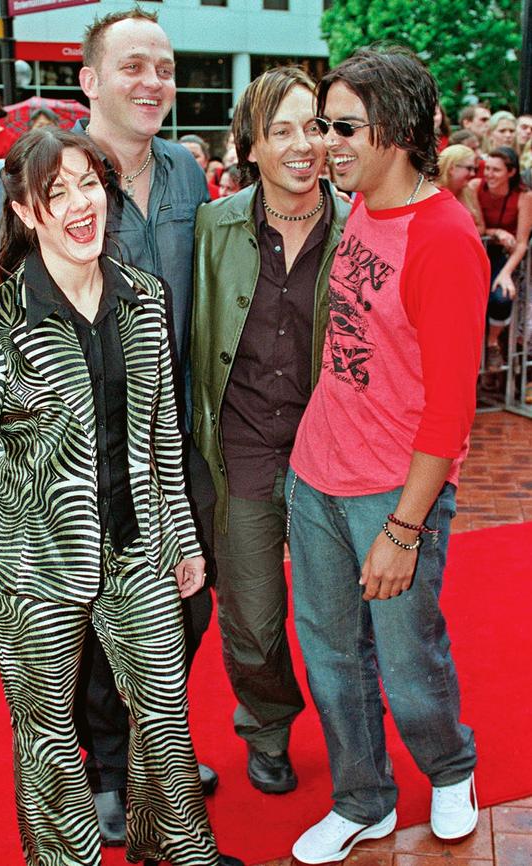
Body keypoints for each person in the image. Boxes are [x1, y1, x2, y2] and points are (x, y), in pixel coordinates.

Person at [0, 127, 241, 866]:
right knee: (45, 733)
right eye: (55, 192)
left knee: (163, 713)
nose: (78, 203)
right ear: (27, 212)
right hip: (31, 566)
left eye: (88, 184)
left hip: (138, 548)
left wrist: (185, 542)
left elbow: (161, 438)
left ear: (108, 191)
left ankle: (177, 848)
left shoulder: (146, 301)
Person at [286, 46, 488, 864]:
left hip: (389, 491)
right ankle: (363, 800)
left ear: (398, 132)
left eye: (343, 127)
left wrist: (404, 529)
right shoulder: (361, 206)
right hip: (314, 474)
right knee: (331, 657)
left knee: (407, 659)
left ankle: (450, 768)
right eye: (326, 124)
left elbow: (450, 410)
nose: (328, 142)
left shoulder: (445, 238)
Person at [192, 66, 350, 796]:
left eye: (313, 126)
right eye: (280, 129)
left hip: (334, 454)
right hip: (244, 449)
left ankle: (358, 744)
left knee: (341, 620)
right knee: (253, 617)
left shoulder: (360, 227)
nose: (302, 144)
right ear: (249, 145)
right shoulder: (213, 227)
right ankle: (266, 728)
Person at [469, 146, 532, 371]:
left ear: (511, 172)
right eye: (488, 169)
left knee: (501, 296)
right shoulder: (476, 187)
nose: (489, 175)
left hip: (505, 256)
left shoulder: (524, 196)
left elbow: (522, 242)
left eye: (496, 170)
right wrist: (495, 231)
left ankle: (493, 342)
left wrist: (506, 274)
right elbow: (475, 226)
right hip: (478, 250)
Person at [437, 144, 484, 230]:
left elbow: (481, 227)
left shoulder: (468, 191)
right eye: (469, 168)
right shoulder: (432, 194)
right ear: (452, 168)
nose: (473, 174)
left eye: (475, 169)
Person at [180, 134, 220, 199]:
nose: (188, 160)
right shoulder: (166, 191)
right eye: (183, 155)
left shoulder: (217, 193)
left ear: (206, 161)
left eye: (195, 156)